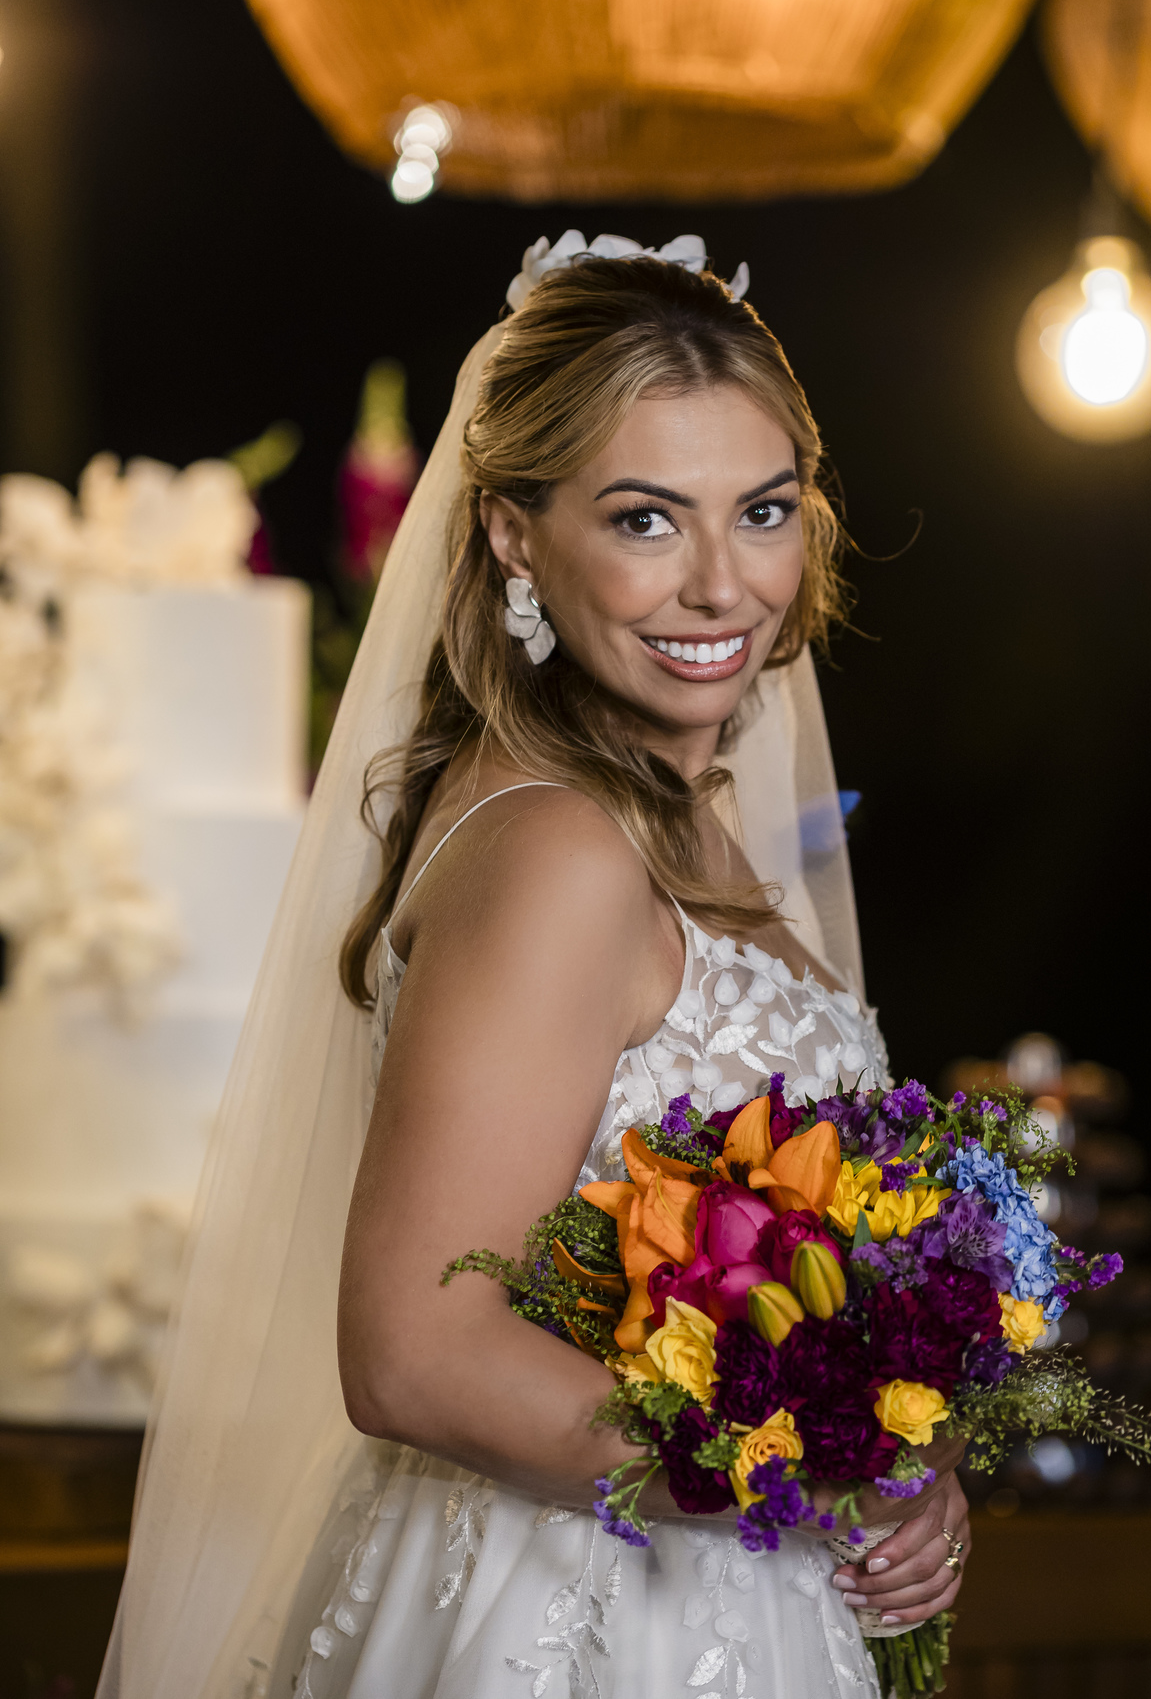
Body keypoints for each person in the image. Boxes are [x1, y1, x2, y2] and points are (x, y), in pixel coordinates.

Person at [99, 234, 970, 1699]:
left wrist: (902, 1459)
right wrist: (802, 1478)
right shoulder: (564, 847)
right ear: (512, 535)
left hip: (721, 1597)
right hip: (569, 1628)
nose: (719, 583)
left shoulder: (675, 829)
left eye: (761, 510)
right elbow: (414, 1352)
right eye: (644, 519)